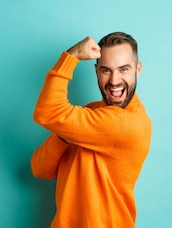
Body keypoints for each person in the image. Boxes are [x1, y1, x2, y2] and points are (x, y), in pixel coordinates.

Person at [31, 32, 152, 228]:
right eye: (106, 70)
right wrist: (65, 135)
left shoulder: (125, 124)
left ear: (137, 70)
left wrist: (73, 55)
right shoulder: (92, 112)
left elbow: (46, 112)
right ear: (96, 71)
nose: (114, 80)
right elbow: (39, 169)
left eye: (123, 69)